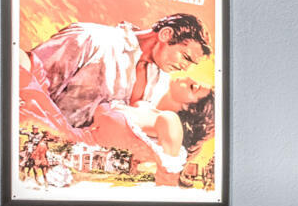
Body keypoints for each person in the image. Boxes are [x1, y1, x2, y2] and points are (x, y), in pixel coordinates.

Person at [23, 13, 210, 141]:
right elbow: (27, 85)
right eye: (185, 57)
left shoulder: (160, 80)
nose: (185, 67)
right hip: (42, 143)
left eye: (191, 63)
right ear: (166, 34)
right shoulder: (91, 39)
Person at [82, 72, 216, 187]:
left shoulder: (167, 124)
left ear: (189, 108)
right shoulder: (145, 105)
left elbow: (166, 182)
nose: (188, 78)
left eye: (193, 87)